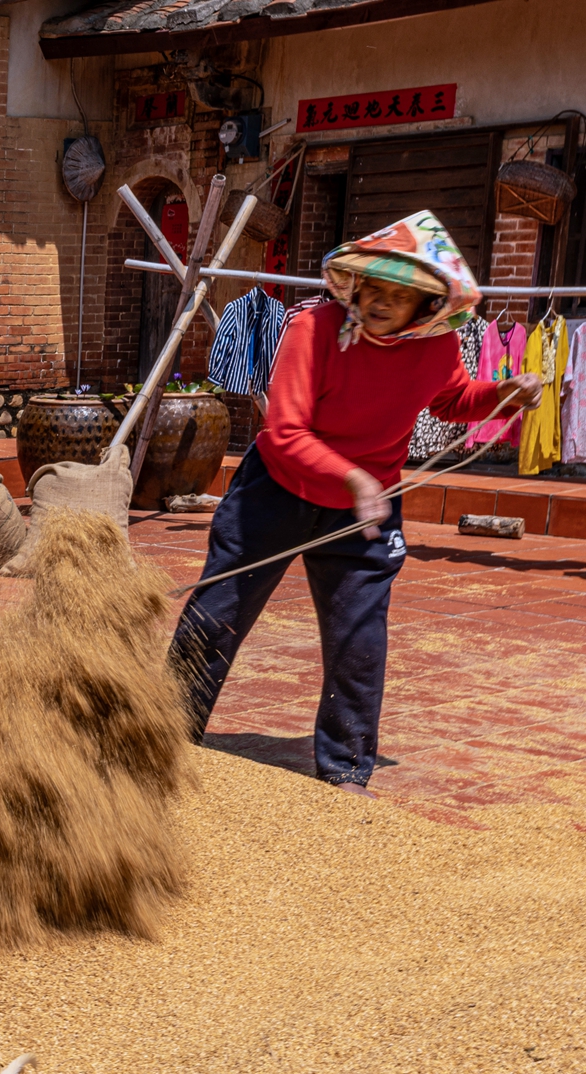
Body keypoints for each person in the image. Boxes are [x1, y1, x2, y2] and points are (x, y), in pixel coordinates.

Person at [169, 211, 544, 797]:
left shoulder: (437, 344)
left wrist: (504, 393)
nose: (380, 303)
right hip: (278, 489)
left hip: (365, 508)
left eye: (400, 295)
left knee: (359, 636)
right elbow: (283, 433)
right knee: (219, 611)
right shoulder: (312, 330)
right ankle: (161, 733)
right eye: (374, 289)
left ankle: (346, 769)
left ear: (426, 306)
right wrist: (352, 478)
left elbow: (452, 399)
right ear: (355, 286)